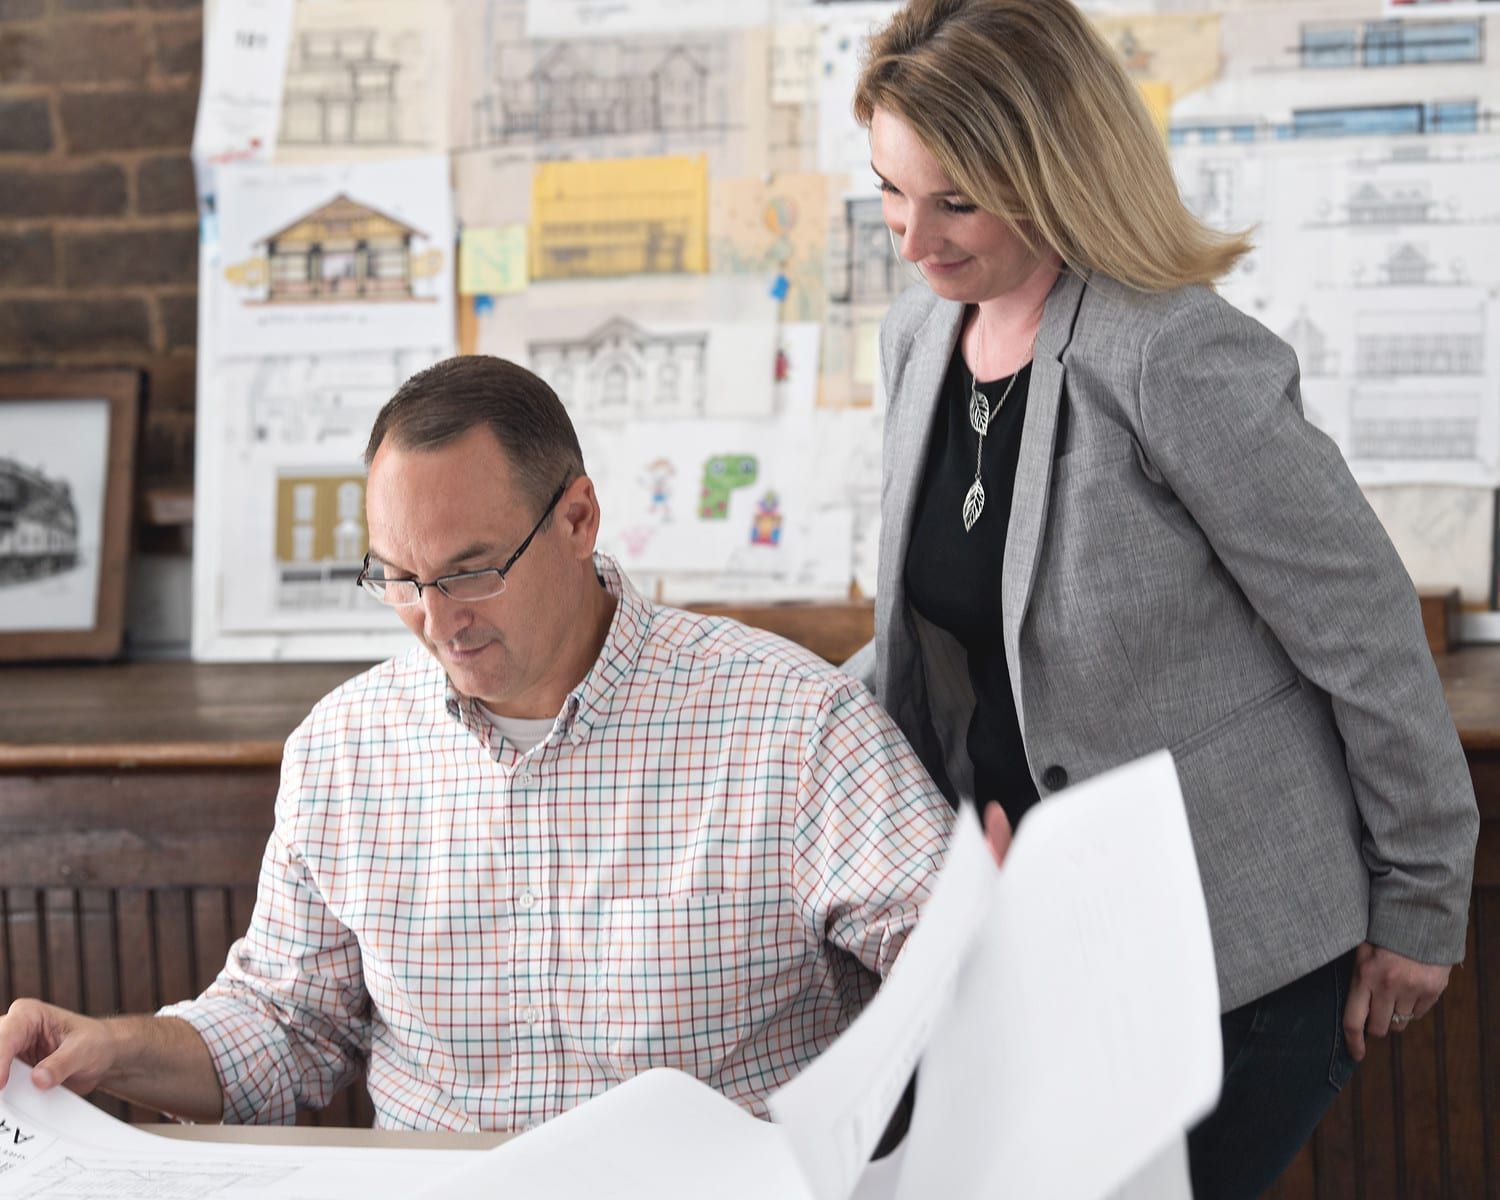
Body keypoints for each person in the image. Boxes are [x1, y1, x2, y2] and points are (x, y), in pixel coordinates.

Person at [845, 1, 1480, 1195]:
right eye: (889, 190)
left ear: (1053, 170)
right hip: (1030, 927)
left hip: (1234, 943)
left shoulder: (1171, 350)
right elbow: (935, 647)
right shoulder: (917, 336)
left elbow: (1366, 631)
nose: (913, 241)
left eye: (956, 201)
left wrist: (1422, 904)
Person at [0, 356, 953, 1132]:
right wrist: (114, 1050)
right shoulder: (344, 750)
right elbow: (287, 1026)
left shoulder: (791, 722)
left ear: (577, 519)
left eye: (472, 571)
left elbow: (963, 970)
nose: (435, 620)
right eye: (401, 578)